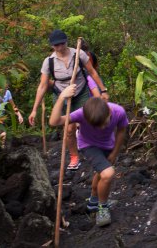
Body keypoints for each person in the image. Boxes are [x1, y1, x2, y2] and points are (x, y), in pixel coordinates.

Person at [28, 30, 109, 170]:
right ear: (52, 46)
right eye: (56, 45)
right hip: (62, 95)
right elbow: (42, 86)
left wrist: (103, 90)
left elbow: (92, 72)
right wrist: (34, 110)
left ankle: (95, 147)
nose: (60, 47)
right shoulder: (49, 62)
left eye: (62, 43)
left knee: (89, 120)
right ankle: (74, 156)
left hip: (81, 92)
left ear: (66, 42)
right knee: (69, 128)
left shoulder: (79, 54)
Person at [49, 84, 128, 227]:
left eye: (104, 124)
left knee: (101, 171)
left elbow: (122, 131)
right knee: (108, 174)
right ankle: (102, 208)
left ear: (109, 112)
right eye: (97, 126)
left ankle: (93, 201)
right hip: (88, 145)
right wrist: (62, 97)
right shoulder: (81, 113)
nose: (102, 128)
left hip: (108, 145)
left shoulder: (118, 112)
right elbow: (54, 122)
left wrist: (115, 152)